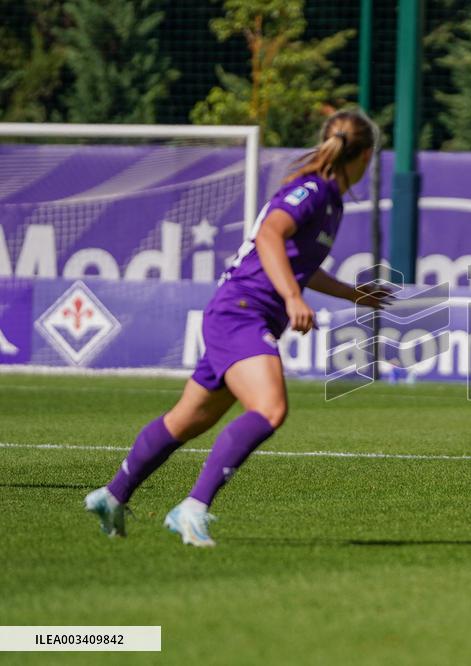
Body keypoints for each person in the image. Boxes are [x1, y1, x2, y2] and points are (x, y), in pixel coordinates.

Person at [85, 109, 390, 546]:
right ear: (362, 157)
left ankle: (112, 496)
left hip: (244, 313)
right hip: (241, 312)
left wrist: (352, 294)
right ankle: (192, 509)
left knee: (185, 421)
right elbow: (269, 236)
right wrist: (291, 297)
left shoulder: (331, 201)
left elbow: (299, 263)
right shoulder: (313, 190)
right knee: (269, 409)